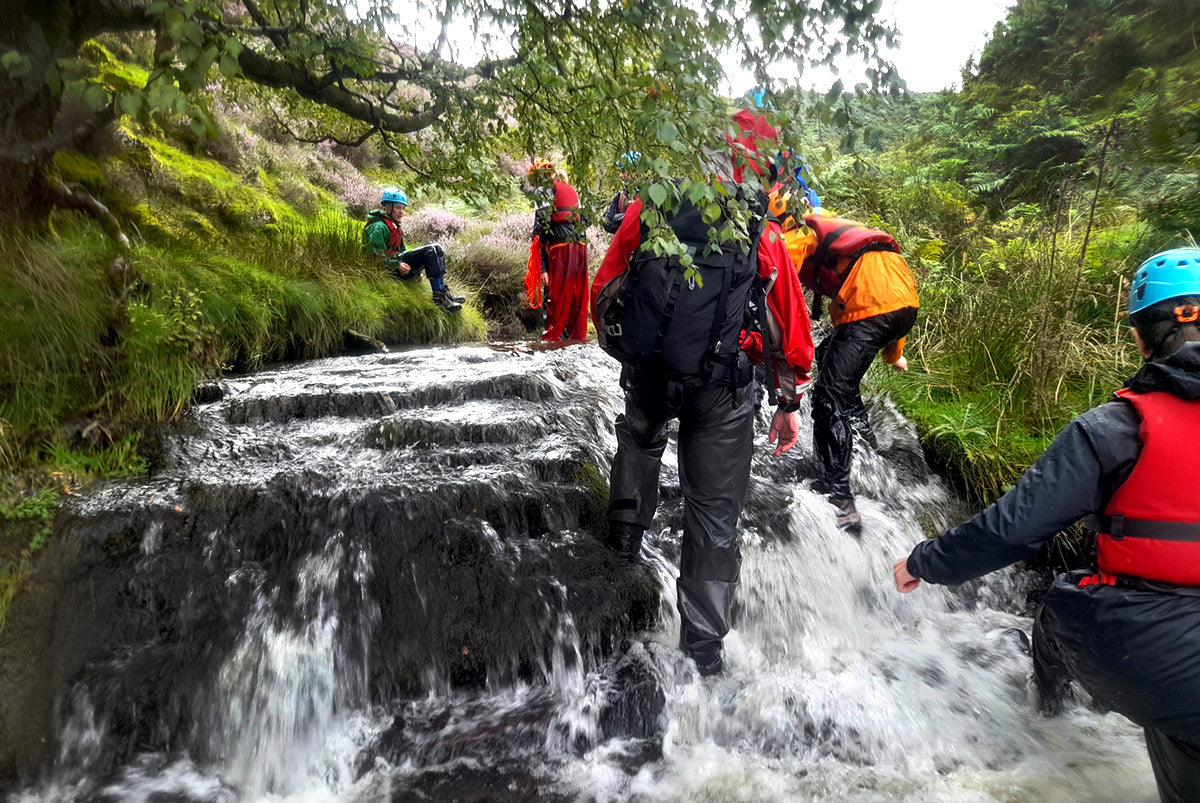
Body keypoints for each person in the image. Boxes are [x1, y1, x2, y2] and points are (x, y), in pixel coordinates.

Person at [893, 247, 1200, 803]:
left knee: (1063, 604)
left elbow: (1011, 530)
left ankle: (1051, 712)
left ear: (1141, 337)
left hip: (1154, 652)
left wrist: (923, 562)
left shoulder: (1114, 429)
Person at [590, 111, 814, 677]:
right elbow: (788, 322)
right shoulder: (757, 227)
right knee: (714, 516)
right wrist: (789, 402)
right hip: (722, 387)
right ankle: (703, 655)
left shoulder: (652, 207)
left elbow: (605, 288)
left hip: (648, 373)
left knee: (639, 444)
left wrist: (630, 353)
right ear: (759, 164)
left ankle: (621, 555)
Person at [790, 210, 919, 534]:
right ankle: (864, 437)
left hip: (871, 309)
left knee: (826, 398)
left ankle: (840, 497)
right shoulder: (855, 244)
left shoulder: (797, 232)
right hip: (903, 305)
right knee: (827, 355)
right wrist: (893, 353)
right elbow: (888, 294)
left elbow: (780, 273)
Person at [364, 186, 464, 313]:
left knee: (437, 248)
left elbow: (403, 253)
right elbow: (374, 258)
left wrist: (416, 272)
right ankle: (438, 297)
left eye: (403, 208)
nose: (401, 211)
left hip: (397, 268)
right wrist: (397, 264)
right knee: (429, 250)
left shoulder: (394, 227)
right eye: (398, 207)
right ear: (387, 207)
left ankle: (442, 291)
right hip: (387, 271)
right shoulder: (378, 227)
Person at [525, 160, 589, 341]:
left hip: (561, 249)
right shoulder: (571, 191)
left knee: (556, 297)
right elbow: (586, 220)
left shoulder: (542, 192)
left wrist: (543, 266)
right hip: (580, 248)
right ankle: (575, 340)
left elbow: (542, 227)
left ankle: (553, 340)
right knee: (576, 298)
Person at [602, 151, 641, 235]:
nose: (620, 175)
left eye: (624, 171)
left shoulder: (647, 196)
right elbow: (607, 223)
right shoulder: (620, 196)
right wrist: (623, 223)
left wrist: (621, 220)